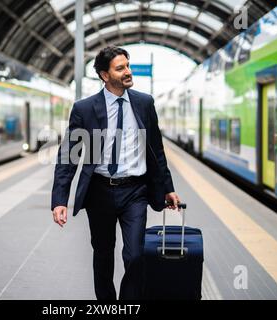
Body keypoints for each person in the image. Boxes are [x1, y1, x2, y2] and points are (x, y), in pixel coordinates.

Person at [51, 46, 181, 300]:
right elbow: (69, 156)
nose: (128, 72)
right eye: (120, 68)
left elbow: (156, 149)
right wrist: (59, 200)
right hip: (99, 191)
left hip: (135, 191)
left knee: (135, 255)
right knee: (103, 255)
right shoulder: (85, 109)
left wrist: (168, 188)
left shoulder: (144, 103)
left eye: (128, 65)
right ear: (104, 75)